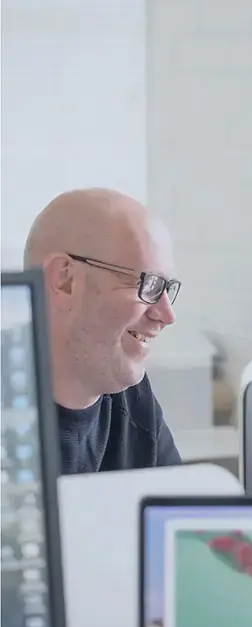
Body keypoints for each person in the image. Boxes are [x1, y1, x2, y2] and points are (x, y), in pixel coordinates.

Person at [24, 188, 183, 473]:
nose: (166, 315)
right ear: (65, 281)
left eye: (167, 289)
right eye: (148, 284)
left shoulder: (134, 401)